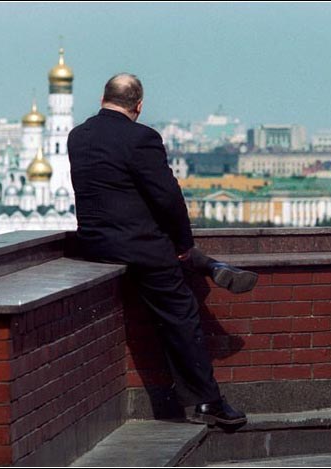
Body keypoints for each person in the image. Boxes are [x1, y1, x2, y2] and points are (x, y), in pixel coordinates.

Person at [68, 73, 254, 427]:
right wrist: (184, 244)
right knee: (182, 315)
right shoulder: (141, 138)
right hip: (138, 248)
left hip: (94, 244)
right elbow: (168, 198)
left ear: (102, 98)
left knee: (172, 272)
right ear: (138, 105)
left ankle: (208, 265)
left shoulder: (78, 136)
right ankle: (208, 402)